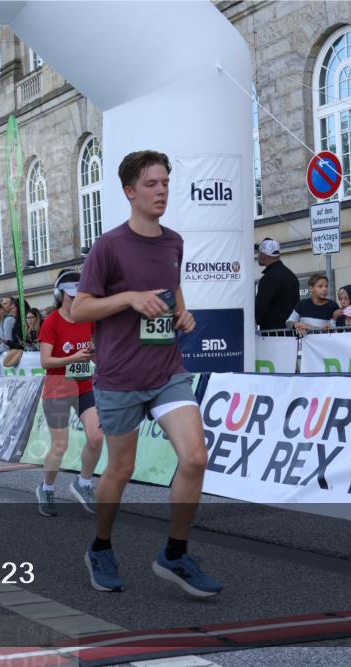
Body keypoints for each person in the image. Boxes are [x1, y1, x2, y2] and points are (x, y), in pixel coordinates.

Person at [72, 150, 221, 597]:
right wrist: (129, 298)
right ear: (130, 192)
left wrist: (183, 313)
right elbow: (80, 308)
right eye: (152, 184)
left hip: (167, 369)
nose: (161, 191)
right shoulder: (109, 246)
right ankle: (100, 546)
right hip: (119, 376)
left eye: (165, 183)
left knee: (195, 456)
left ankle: (174, 555)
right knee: (120, 468)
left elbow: (172, 287)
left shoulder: (173, 241)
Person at [36, 268, 103, 517]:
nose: (75, 299)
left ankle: (83, 484)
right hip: (58, 389)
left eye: (79, 294)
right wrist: (72, 357)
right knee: (60, 446)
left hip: (84, 385)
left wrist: (98, 356)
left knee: (96, 438)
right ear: (60, 295)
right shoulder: (52, 321)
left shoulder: (89, 319)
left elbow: (96, 350)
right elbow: (45, 361)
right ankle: (47, 487)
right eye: (70, 295)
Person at [253, 238, 299, 331]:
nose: (258, 256)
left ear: (264, 254)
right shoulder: (291, 275)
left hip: (272, 334)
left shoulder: (268, 278)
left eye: (259, 253)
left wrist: (255, 321)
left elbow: (260, 309)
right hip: (291, 332)